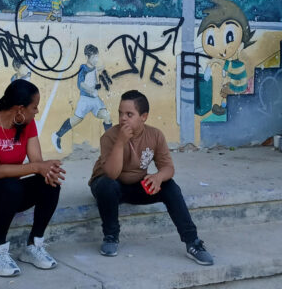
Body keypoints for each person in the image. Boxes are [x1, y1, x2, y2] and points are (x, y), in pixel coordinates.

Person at [89, 90, 213, 265]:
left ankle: (192, 242)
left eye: (129, 114)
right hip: (108, 186)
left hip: (135, 186)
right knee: (108, 185)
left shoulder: (155, 135)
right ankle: (111, 237)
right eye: (120, 113)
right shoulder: (109, 137)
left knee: (170, 186)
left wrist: (158, 177)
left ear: (144, 117)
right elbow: (111, 174)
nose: (123, 118)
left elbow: (168, 168)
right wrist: (120, 142)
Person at [0, 79, 65, 277]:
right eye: (34, 107)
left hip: (8, 196)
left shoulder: (27, 123)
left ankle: (34, 245)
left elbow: (37, 163)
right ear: (20, 108)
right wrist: (37, 166)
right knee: (10, 186)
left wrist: (47, 168)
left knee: (50, 183)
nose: (37, 111)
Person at [52, 44, 112, 152]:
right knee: (75, 120)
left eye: (97, 56)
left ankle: (111, 144)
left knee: (106, 115)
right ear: (87, 57)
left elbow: (94, 70)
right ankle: (57, 135)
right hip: (85, 100)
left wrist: (102, 67)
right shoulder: (83, 68)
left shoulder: (93, 67)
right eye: (94, 57)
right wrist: (91, 90)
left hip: (95, 100)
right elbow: (81, 84)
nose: (96, 59)